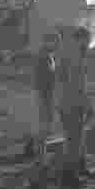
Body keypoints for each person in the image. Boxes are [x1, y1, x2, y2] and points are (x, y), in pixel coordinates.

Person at [57, 26, 92, 185]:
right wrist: (86, 103)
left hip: (68, 102)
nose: (90, 43)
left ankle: (78, 168)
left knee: (77, 139)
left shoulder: (71, 52)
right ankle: (69, 175)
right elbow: (76, 84)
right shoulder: (75, 55)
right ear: (82, 38)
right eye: (88, 39)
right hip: (72, 103)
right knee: (73, 140)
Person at [34, 31, 60, 159]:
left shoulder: (49, 56)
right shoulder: (44, 56)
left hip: (46, 94)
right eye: (56, 41)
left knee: (46, 126)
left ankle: (41, 154)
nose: (58, 45)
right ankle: (40, 155)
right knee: (44, 126)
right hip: (45, 95)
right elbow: (44, 78)